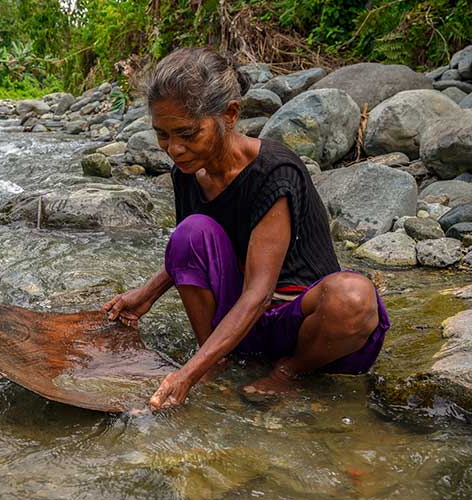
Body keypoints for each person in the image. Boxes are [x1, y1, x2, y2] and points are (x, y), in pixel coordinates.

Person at [102, 48, 390, 411]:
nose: (174, 149)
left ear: (230, 115)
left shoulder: (274, 171)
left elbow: (260, 294)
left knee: (353, 297)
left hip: (305, 330)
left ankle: (289, 373)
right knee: (190, 231)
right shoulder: (188, 172)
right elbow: (190, 250)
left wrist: (186, 373)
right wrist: (146, 294)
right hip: (245, 327)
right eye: (163, 135)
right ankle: (217, 360)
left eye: (188, 133)